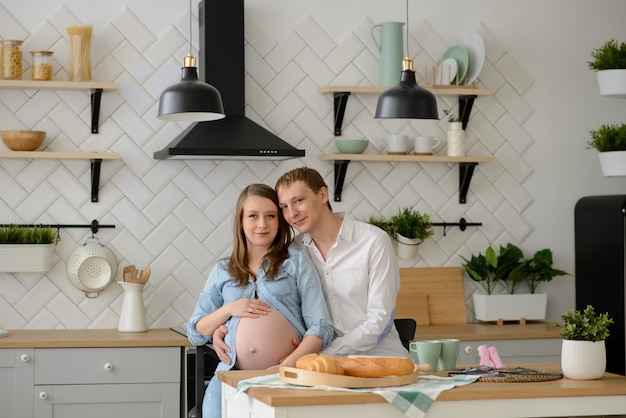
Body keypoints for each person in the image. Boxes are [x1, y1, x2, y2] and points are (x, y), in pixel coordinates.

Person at [212, 167, 407, 362]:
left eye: (298, 201)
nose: (292, 213)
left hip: (379, 359)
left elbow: (379, 321)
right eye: (284, 207)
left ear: (323, 195)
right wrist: (224, 329)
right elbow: (275, 305)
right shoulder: (294, 253)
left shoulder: (373, 241)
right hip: (316, 366)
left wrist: (321, 353)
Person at [186, 183, 334, 418]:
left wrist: (291, 363)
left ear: (280, 221)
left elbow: (321, 326)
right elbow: (196, 331)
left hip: (284, 376)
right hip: (232, 375)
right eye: (253, 216)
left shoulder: (296, 260)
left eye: (270, 216)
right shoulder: (222, 270)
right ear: (239, 220)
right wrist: (229, 309)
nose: (262, 224)